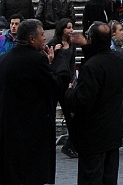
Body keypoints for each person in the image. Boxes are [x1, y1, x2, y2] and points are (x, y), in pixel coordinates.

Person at [0, 18, 72, 185]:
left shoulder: (4, 59)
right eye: (41, 35)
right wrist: (55, 64)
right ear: (32, 39)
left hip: (9, 126)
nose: (44, 38)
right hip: (31, 128)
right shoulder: (35, 60)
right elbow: (55, 85)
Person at [64, 20, 123, 185]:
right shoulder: (116, 60)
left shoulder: (92, 67)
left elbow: (82, 100)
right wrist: (88, 44)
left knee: (91, 177)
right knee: (109, 178)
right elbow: (99, 53)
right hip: (112, 133)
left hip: (94, 135)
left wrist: (69, 92)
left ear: (91, 40)